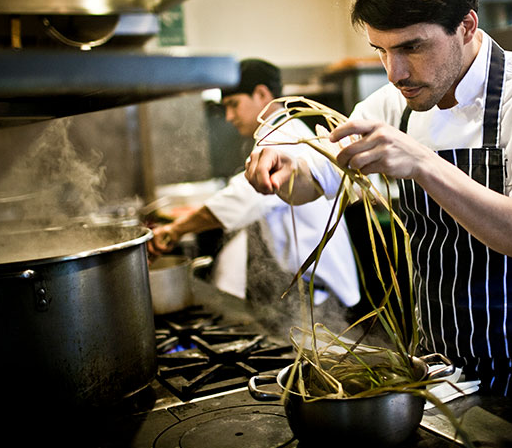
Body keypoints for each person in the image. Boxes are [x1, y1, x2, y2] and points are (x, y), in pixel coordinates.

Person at [244, 0, 512, 422]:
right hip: (436, 374)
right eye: (381, 50)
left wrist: (423, 163)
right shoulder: (393, 105)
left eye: (412, 47)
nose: (394, 72)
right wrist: (281, 163)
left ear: (467, 25)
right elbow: (308, 181)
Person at [148, 58, 361, 333]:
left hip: (320, 296)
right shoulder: (286, 131)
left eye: (233, 104)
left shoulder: (281, 138)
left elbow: (239, 199)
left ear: (261, 94)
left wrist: (174, 231)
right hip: (312, 289)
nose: (228, 117)